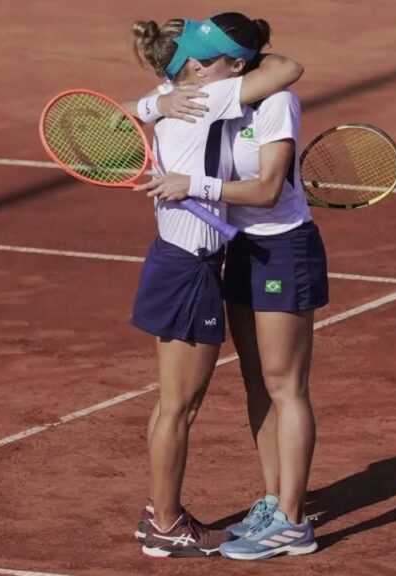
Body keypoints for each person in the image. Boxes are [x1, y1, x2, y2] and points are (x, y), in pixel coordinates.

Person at [134, 12, 327, 561]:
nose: (195, 67)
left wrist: (191, 182)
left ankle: (289, 518)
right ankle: (251, 505)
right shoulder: (195, 94)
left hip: (276, 249)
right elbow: (128, 110)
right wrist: (155, 104)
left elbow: (267, 190)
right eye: (191, 58)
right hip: (220, 255)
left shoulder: (262, 99)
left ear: (237, 66)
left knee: (281, 384)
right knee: (240, 387)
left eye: (206, 58)